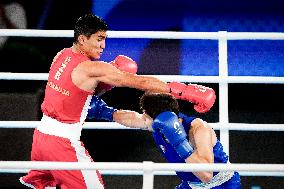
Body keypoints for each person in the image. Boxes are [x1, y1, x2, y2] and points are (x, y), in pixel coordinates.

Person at [19, 13, 216, 189]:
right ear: (82, 39)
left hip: (41, 138)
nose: (103, 45)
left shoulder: (61, 55)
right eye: (99, 39)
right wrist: (184, 91)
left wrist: (103, 86)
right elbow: (140, 82)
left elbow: (70, 92)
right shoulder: (92, 68)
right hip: (61, 144)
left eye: (104, 39)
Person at [139, 92, 242, 189]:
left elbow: (206, 175)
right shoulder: (155, 125)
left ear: (158, 119)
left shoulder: (198, 128)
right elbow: (129, 117)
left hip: (222, 184)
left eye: (145, 118)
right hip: (191, 185)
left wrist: (180, 143)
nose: (142, 120)